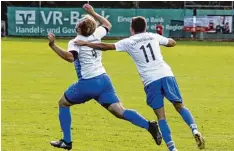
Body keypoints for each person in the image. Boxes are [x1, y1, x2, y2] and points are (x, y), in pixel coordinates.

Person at [76, 16, 205, 151]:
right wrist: (167, 41)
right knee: (180, 106)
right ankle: (194, 129)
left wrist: (86, 44)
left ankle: (173, 149)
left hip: (151, 80)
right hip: (166, 74)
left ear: (132, 28)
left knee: (161, 117)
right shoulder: (153, 36)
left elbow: (105, 46)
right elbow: (172, 42)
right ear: (145, 27)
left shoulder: (129, 42)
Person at [47, 5, 162, 150]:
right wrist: (92, 12)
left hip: (88, 83)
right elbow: (107, 24)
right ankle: (149, 125)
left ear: (79, 29)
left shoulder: (75, 41)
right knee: (119, 111)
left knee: (63, 103)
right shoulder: (97, 34)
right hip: (103, 80)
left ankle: (67, 141)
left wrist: (53, 45)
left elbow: (70, 58)